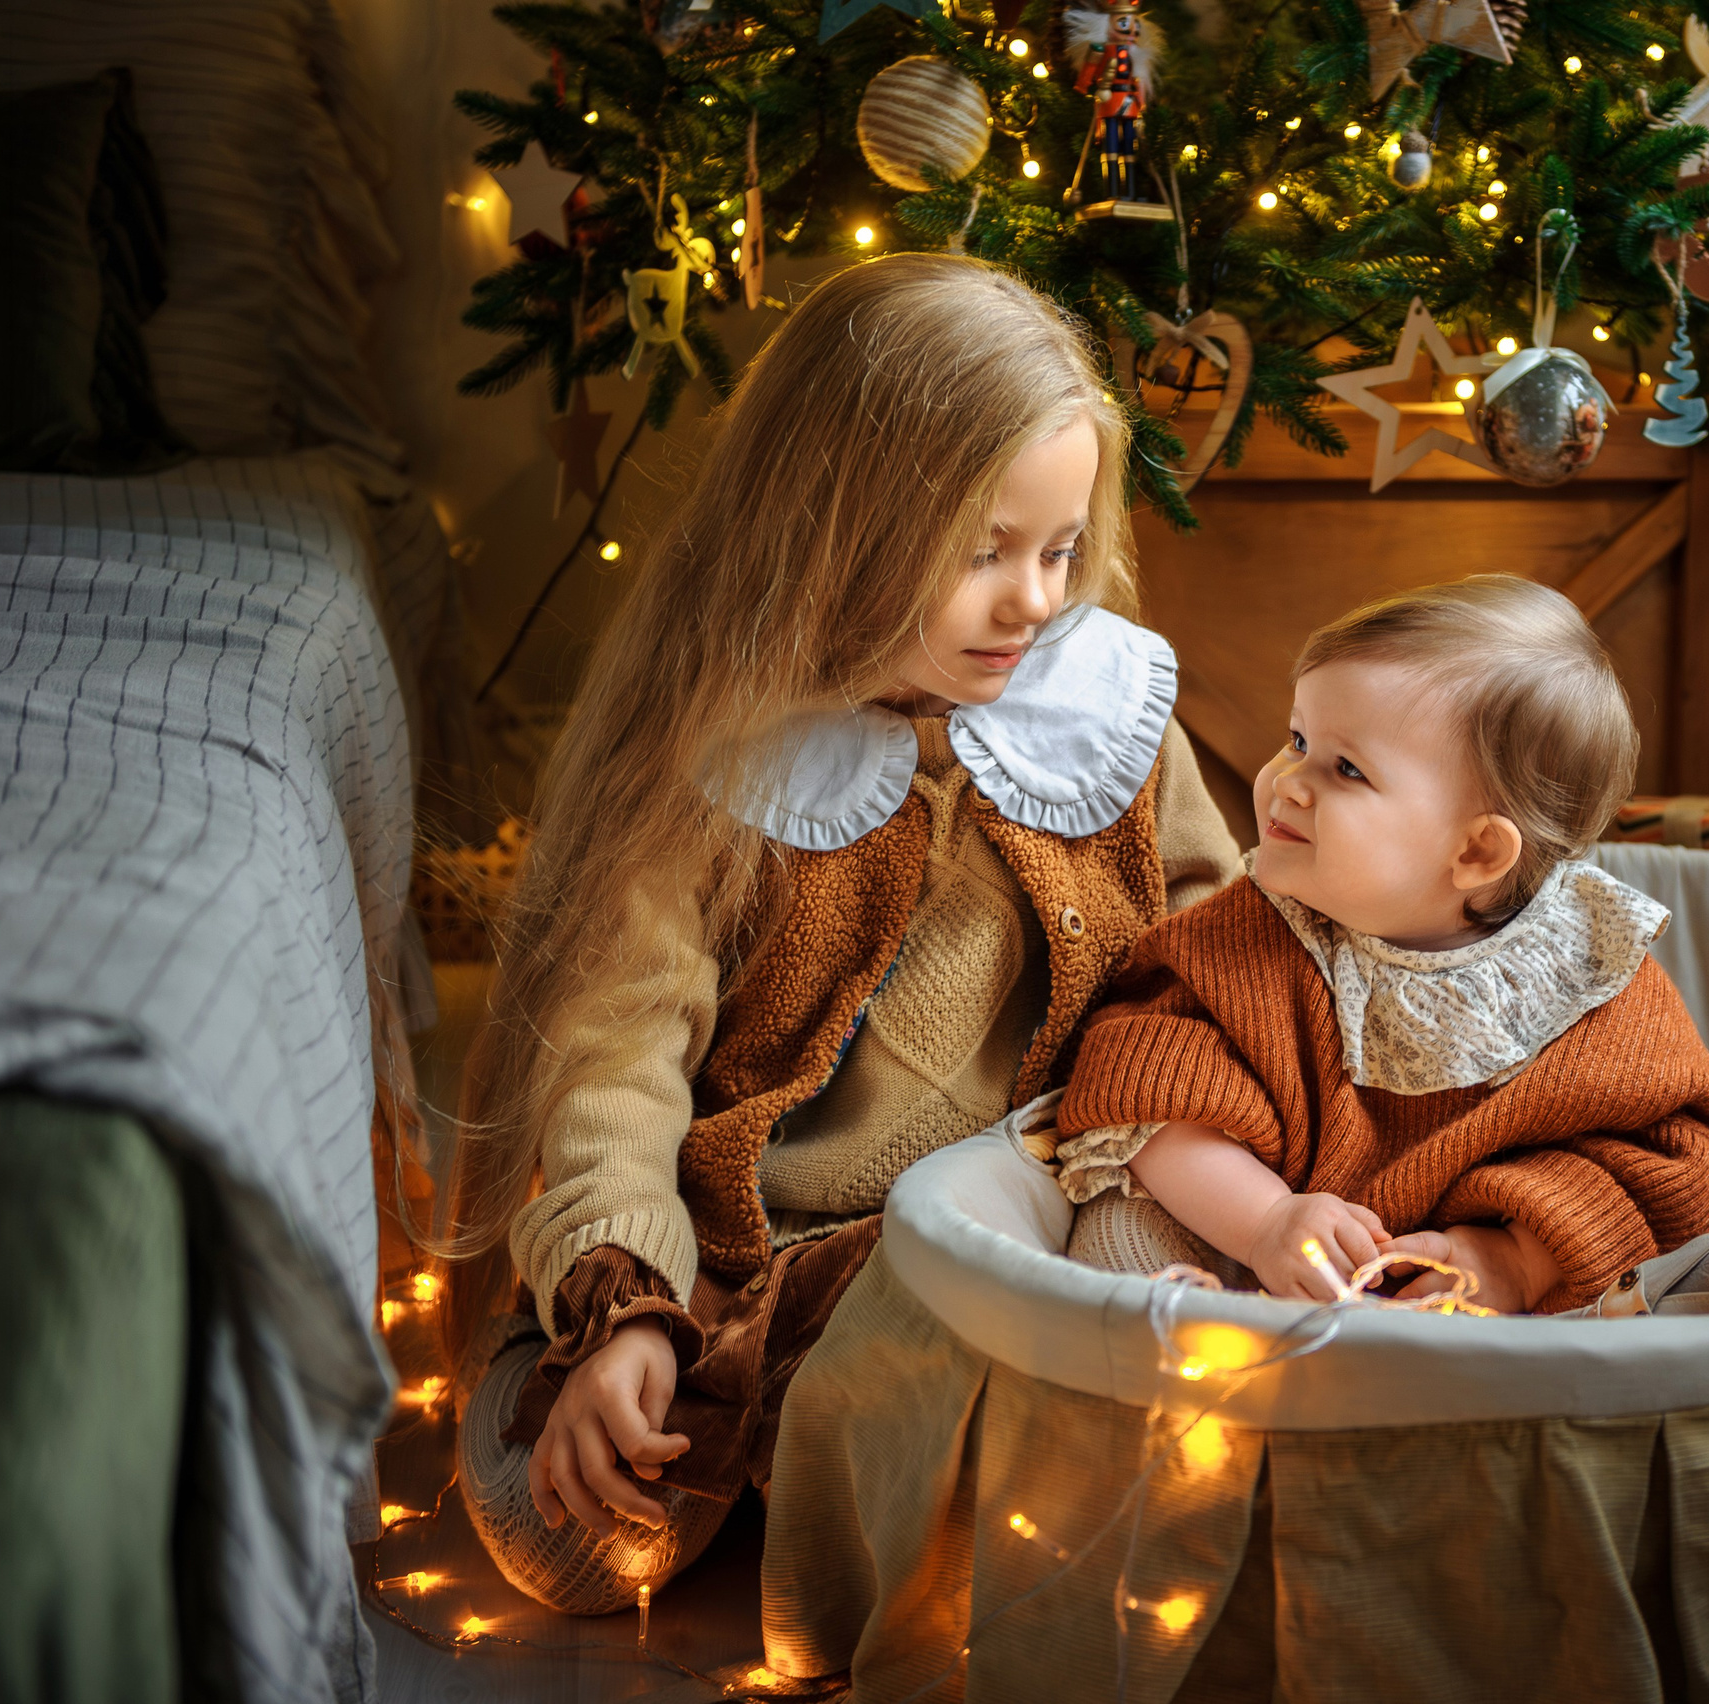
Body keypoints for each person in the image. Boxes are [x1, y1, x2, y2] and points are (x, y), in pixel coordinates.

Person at [444, 253, 1243, 1613]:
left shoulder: (1101, 714)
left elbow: (1225, 945)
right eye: (984, 553)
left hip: (1004, 1225)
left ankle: (873, 1463)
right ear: (830, 531)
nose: (1036, 598)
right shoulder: (716, 762)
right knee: (570, 1546)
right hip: (745, 1259)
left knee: (1079, 1448)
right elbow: (610, 1059)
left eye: (1058, 549)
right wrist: (624, 1305)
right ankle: (636, 1376)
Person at [1054, 575, 1709, 1313]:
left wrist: (1515, 1260)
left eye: (1346, 768)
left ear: (1477, 854)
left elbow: (1682, 1167)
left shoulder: (1593, 979)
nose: (1288, 782)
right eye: (1298, 741)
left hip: (1480, 1305)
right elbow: (1144, 1081)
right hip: (1269, 1264)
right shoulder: (1256, 927)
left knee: (1642, 1296)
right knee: (1117, 1245)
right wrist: (1264, 1222)